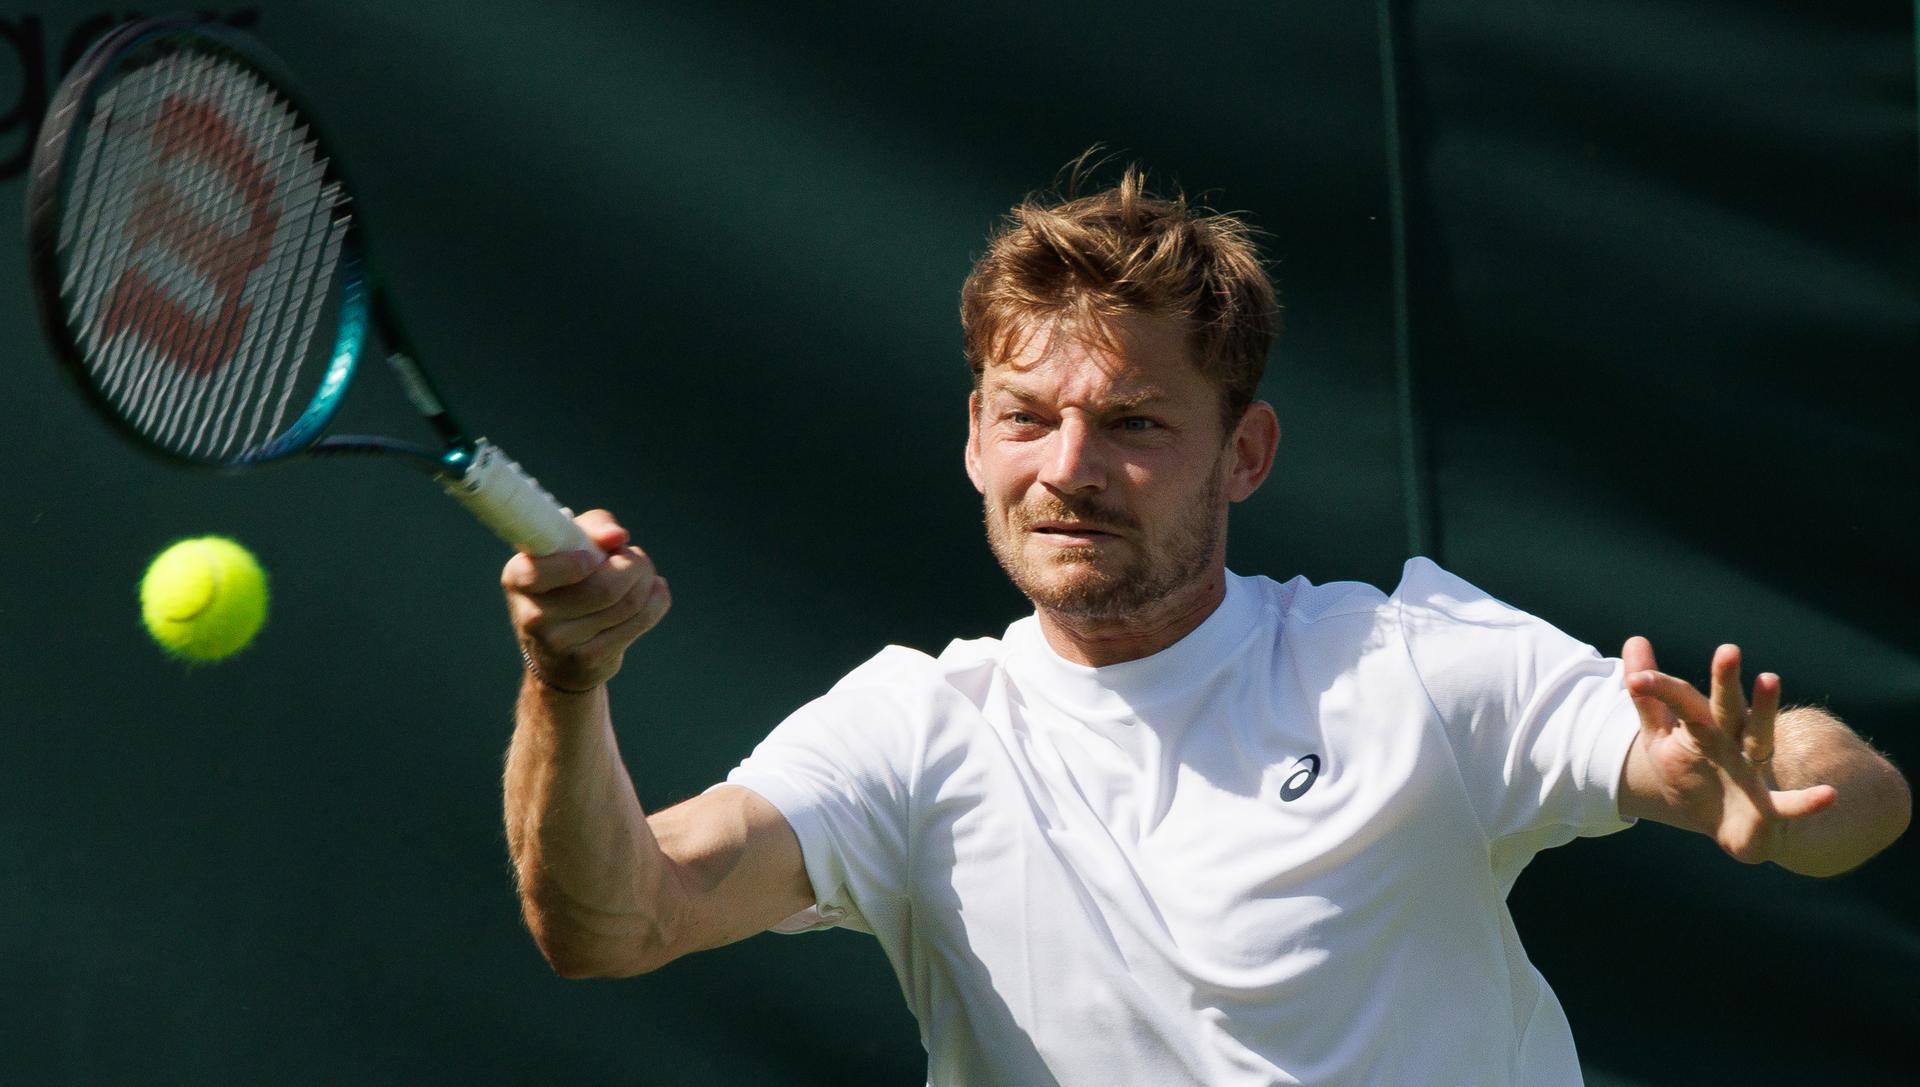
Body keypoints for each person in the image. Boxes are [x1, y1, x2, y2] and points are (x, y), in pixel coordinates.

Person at [498, 167, 1910, 1085]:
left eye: (1132, 424)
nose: (1066, 469)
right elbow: (616, 923)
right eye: (1027, 419)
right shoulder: (912, 731)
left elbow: (1840, 792)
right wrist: (568, 683)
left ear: (1245, 455)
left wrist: (1786, 796)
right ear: (977, 442)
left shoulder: (1406, 666)